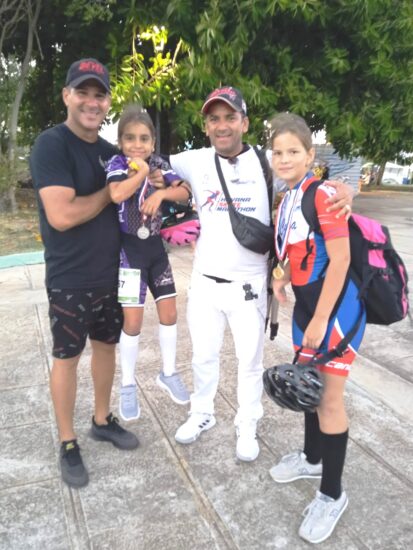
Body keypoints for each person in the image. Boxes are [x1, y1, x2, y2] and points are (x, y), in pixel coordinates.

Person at [156, 86, 354, 462]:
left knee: (249, 361)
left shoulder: (268, 163)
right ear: (207, 126)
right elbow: (153, 161)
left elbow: (310, 180)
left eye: (230, 117)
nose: (222, 125)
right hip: (204, 283)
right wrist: (161, 184)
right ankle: (202, 413)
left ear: (244, 122)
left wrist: (346, 190)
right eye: (214, 118)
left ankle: (247, 423)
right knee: (202, 356)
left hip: (249, 287)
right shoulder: (195, 161)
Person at [29, 58, 139, 489]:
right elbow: (61, 215)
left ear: (107, 101)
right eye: (83, 92)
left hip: (112, 276)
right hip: (70, 279)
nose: (92, 101)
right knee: (67, 358)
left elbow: (153, 177)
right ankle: (68, 441)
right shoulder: (50, 146)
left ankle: (101, 419)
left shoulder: (114, 153)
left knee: (107, 349)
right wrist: (110, 196)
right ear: (67, 96)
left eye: (99, 94)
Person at [268, 113, 366, 544]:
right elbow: (298, 249)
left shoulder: (323, 194)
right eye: (278, 151)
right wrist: (281, 277)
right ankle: (312, 458)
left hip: (337, 310)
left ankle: (332, 493)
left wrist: (324, 319)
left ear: (311, 155)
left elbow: (340, 260)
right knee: (307, 386)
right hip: (309, 308)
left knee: (328, 398)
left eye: (293, 151)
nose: (284, 158)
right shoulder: (289, 197)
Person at [105, 105, 191, 421]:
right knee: (134, 322)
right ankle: (128, 385)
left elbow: (184, 192)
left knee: (170, 313)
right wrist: (141, 174)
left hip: (156, 252)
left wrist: (162, 194)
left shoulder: (159, 163)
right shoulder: (117, 163)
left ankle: (167, 373)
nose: (137, 144)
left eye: (144, 139)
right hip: (129, 254)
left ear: (153, 143)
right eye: (130, 138)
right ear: (121, 141)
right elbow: (116, 194)